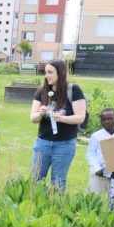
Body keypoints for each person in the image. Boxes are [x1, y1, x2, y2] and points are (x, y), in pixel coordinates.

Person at [30, 59, 86, 193]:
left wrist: (60, 118)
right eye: (45, 72)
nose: (46, 75)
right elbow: (33, 118)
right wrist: (40, 113)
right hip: (42, 143)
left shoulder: (74, 90)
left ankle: (55, 210)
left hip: (64, 144)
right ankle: (35, 205)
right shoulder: (41, 91)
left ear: (60, 73)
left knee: (58, 180)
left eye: (50, 72)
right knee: (36, 178)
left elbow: (80, 117)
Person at [86, 108, 114, 195]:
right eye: (103, 119)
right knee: (92, 197)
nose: (107, 122)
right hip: (98, 173)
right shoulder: (96, 136)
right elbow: (90, 153)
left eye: (110, 119)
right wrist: (97, 168)